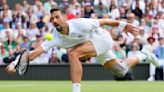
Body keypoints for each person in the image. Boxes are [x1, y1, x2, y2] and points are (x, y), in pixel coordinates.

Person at [6, 7, 159, 92]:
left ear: (65, 18)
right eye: (52, 19)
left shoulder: (81, 23)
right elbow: (34, 53)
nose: (55, 20)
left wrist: (124, 25)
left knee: (73, 53)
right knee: (121, 71)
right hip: (93, 46)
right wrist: (14, 63)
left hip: (102, 39)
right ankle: (144, 54)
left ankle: (76, 90)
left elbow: (104, 21)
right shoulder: (56, 36)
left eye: (58, 17)